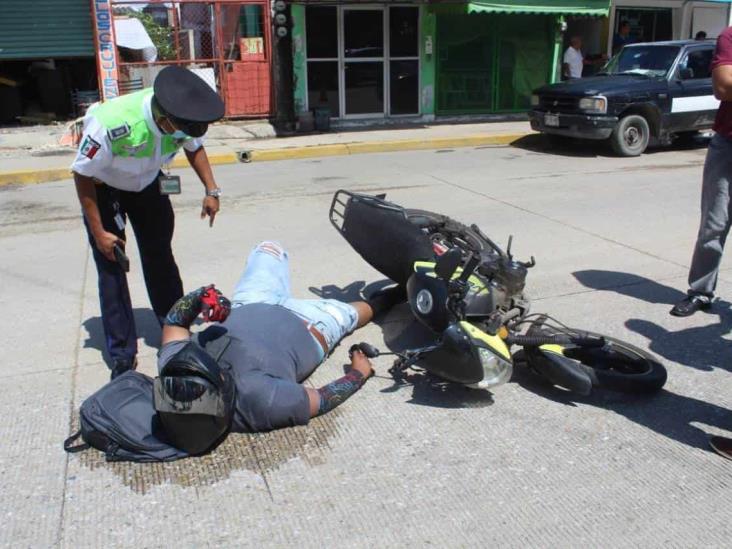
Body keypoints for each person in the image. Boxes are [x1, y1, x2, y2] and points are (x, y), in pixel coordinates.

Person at [154, 241, 405, 451]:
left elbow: (175, 321)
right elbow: (322, 398)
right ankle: (398, 293)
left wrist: (203, 297)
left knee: (268, 247)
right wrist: (357, 374)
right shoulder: (259, 401)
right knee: (357, 312)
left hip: (251, 301)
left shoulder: (177, 370)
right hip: (312, 323)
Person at [72, 66, 225, 380]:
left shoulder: (182, 116)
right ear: (165, 119)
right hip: (104, 188)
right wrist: (99, 231)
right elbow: (83, 173)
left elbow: (195, 148)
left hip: (147, 186)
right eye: (179, 130)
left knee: (160, 258)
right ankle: (122, 356)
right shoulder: (112, 122)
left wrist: (211, 190)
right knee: (112, 268)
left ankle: (176, 329)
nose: (184, 136)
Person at [671, 26, 732, 319]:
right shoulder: (729, 37)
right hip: (729, 144)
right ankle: (700, 292)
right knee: (714, 223)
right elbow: (723, 86)